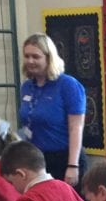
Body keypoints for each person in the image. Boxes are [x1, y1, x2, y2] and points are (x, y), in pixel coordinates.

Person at [18, 33, 87, 190]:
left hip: (65, 159)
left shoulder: (68, 85)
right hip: (38, 161)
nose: (30, 61)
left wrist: (72, 165)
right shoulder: (27, 87)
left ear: (49, 58)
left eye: (36, 56)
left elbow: (76, 127)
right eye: (27, 56)